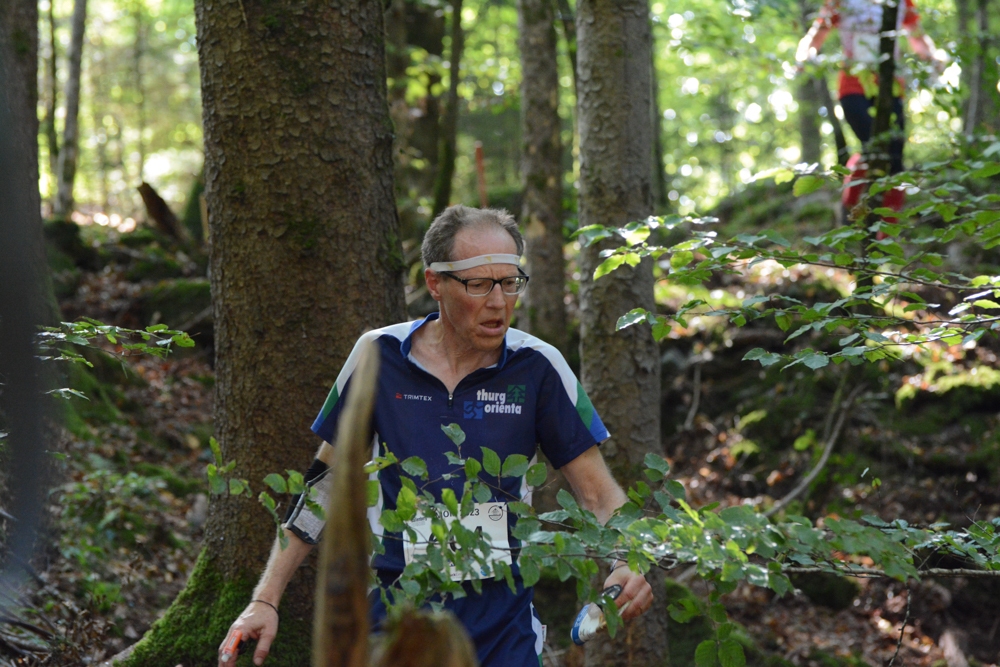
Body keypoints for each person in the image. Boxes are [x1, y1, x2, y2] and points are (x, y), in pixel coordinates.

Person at [218, 205, 654, 667]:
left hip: (502, 626)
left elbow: (598, 494)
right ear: (434, 283)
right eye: (478, 284)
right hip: (395, 617)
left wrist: (626, 560)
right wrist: (265, 599)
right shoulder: (378, 355)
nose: (498, 301)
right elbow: (324, 486)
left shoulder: (539, 366)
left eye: (510, 282)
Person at [796, 0, 946, 224]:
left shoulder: (901, 3)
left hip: (891, 86)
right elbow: (819, 32)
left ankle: (887, 230)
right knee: (873, 147)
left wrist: (933, 57)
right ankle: (849, 210)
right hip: (852, 86)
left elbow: (917, 35)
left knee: (895, 158)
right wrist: (803, 56)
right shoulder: (841, 1)